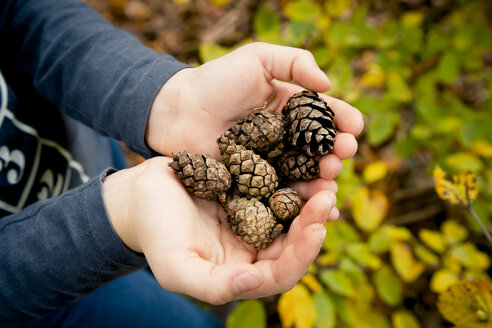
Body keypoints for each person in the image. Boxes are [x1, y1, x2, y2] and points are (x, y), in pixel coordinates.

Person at [0, 0, 363, 326]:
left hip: (78, 149)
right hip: (36, 292)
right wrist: (116, 219)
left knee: (153, 262)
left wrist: (164, 99)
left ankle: (148, 262)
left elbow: (21, 12)